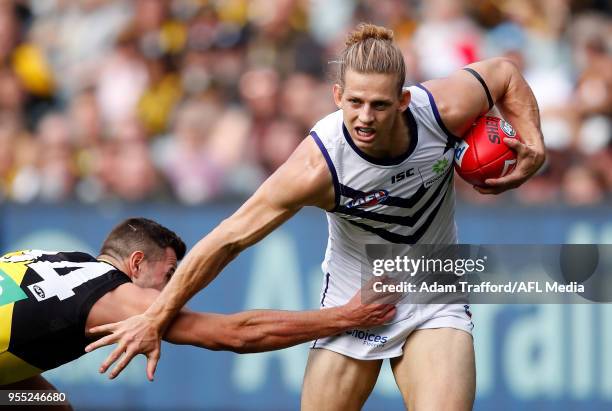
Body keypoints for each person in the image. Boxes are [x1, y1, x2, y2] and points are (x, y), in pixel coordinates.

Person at [87, 23, 546, 411]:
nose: (364, 118)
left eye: (380, 105)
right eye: (354, 103)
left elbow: (505, 74)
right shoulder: (317, 167)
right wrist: (156, 316)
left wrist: (534, 143)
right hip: (352, 306)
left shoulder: (442, 111)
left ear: (405, 100)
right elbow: (228, 239)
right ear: (337, 95)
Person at [0, 217, 395, 410]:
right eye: (169, 276)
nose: (173, 291)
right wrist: (345, 316)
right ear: (136, 263)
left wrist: (38, 396)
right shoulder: (120, 297)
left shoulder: (47, 258)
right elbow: (236, 334)